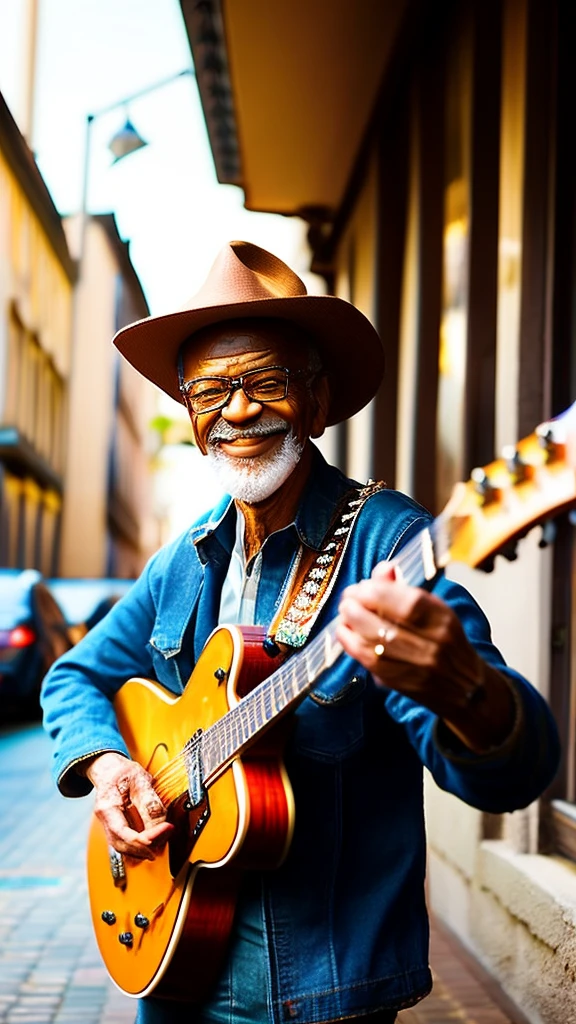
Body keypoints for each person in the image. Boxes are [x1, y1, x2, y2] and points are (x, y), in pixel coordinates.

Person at [42, 240, 559, 1024]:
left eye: (266, 380)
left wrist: (467, 691)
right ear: (190, 417)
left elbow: (509, 777)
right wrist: (111, 767)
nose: (239, 408)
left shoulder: (390, 546)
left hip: (321, 994)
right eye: (212, 389)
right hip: (173, 955)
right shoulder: (183, 560)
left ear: (316, 401)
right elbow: (71, 676)